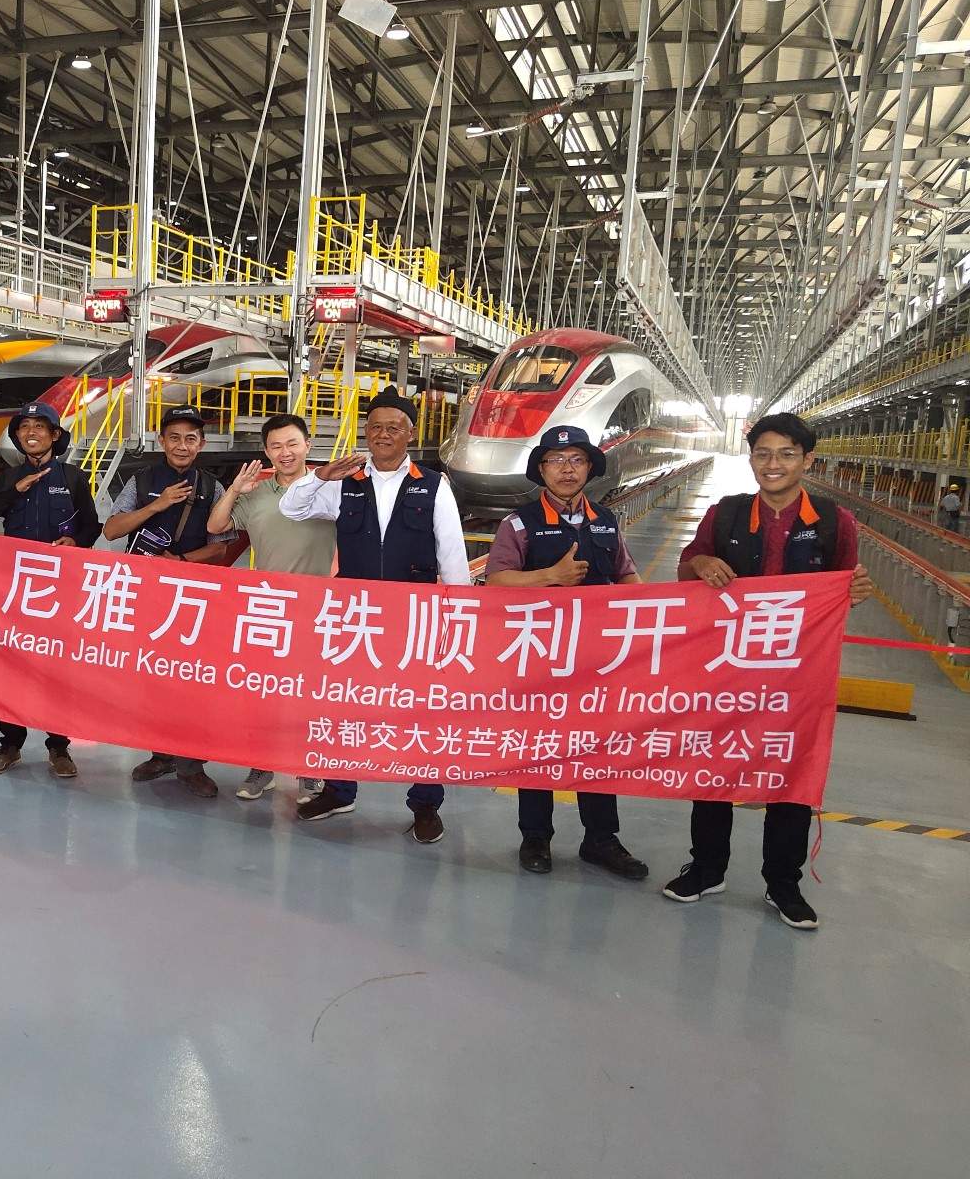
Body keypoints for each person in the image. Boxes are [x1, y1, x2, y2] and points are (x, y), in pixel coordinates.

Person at [663, 412, 873, 930]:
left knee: (789, 772)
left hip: (796, 674)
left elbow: (842, 590)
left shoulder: (835, 522)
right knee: (714, 767)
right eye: (762, 453)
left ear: (808, 461)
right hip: (728, 669)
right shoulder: (726, 515)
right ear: (751, 458)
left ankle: (784, 883)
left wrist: (853, 592)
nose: (772, 464)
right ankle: (707, 868)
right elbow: (687, 566)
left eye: (786, 454)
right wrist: (701, 566)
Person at [280, 385, 471, 842]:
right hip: (355, 617)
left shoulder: (434, 485)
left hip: (416, 619)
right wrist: (319, 475)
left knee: (421, 711)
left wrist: (458, 620)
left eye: (394, 427)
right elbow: (292, 507)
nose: (383, 434)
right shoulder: (345, 481)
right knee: (344, 703)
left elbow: (453, 557)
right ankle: (339, 789)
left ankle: (425, 803)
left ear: (411, 434)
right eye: (375, 427)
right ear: (366, 432)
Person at [484, 425, 649, 880]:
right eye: (556, 460)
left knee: (595, 746)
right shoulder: (518, 524)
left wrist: (647, 603)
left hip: (597, 659)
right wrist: (550, 577)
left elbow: (626, 573)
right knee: (538, 745)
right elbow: (496, 581)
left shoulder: (606, 520)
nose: (567, 469)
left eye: (576, 459)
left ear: (590, 468)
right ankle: (535, 836)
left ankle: (601, 839)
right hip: (539, 656)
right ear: (541, 470)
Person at [102, 403, 237, 798]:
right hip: (148, 596)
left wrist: (180, 562)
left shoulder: (212, 488)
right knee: (152, 677)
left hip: (195, 599)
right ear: (161, 440)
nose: (182, 445)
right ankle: (160, 754)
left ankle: (191, 765)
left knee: (193, 681)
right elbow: (112, 530)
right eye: (174, 437)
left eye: (190, 438)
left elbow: (220, 547)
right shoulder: (141, 480)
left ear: (201, 444)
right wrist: (157, 505)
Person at [0, 401, 102, 779]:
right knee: (11, 667)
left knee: (56, 668)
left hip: (58, 591)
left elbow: (91, 526)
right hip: (15, 589)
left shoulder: (73, 477)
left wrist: (76, 542)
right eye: (24, 427)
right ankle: (10, 745)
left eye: (40, 426)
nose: (31, 433)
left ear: (54, 435)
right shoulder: (8, 478)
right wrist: (14, 490)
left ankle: (58, 746)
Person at [207, 412, 336, 801]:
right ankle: (261, 766)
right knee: (264, 694)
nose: (285, 452)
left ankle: (311, 770)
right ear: (266, 451)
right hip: (268, 607)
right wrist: (235, 490)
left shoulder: (329, 488)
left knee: (312, 694)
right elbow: (216, 526)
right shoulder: (256, 493)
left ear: (308, 446)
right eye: (276, 446)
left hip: (317, 607)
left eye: (293, 443)